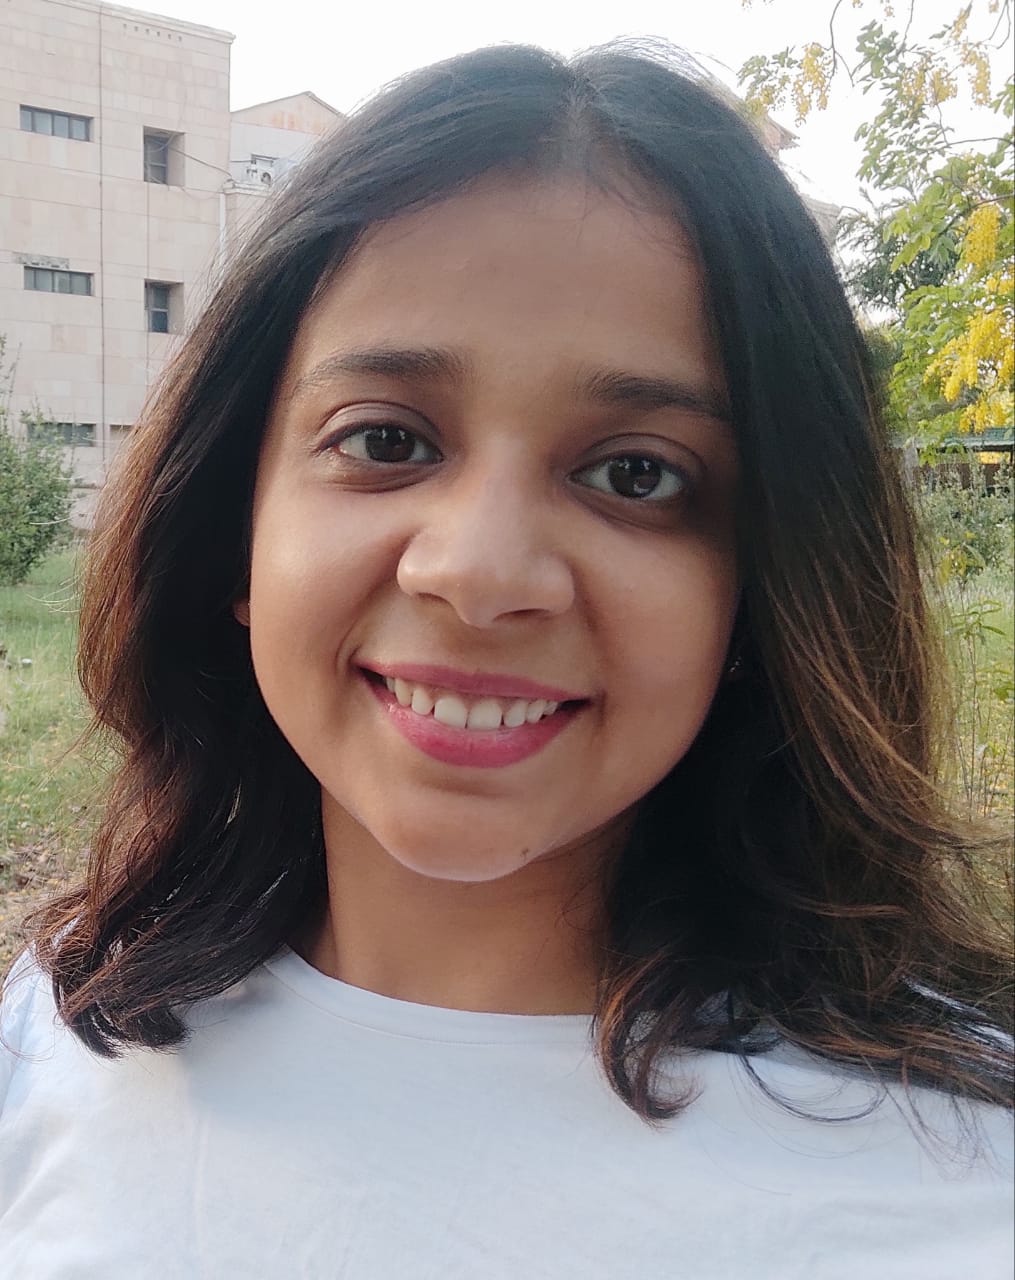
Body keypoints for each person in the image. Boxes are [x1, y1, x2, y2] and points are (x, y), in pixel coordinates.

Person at [1, 42, 1012, 1279]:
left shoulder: (965, 1176)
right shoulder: (65, 1032)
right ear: (235, 532)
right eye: (385, 440)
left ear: (764, 590)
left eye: (635, 472)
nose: (479, 574)